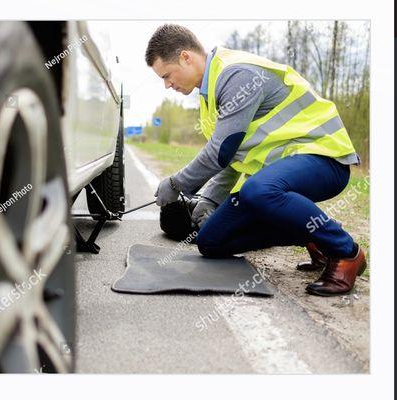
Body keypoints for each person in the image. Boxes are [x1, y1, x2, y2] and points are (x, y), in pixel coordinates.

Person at [145, 24, 366, 296]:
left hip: (324, 159)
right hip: (278, 175)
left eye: (166, 75)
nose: (167, 85)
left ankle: (346, 252)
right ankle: (311, 234)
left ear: (186, 57)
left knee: (257, 191)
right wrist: (209, 201)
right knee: (211, 241)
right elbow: (232, 157)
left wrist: (177, 184)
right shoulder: (209, 95)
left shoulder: (237, 74)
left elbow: (220, 151)